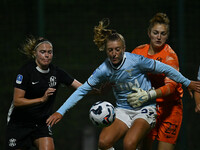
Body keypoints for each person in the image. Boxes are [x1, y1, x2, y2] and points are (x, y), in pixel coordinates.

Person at [46, 19, 200, 150]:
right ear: (106, 51)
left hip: (146, 109)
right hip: (123, 111)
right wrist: (61, 111)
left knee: (129, 143)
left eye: (117, 49)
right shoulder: (103, 70)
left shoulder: (136, 61)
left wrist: (187, 82)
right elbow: (82, 90)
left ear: (124, 49)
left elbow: (166, 69)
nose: (114, 53)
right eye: (110, 50)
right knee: (103, 142)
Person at [6, 36, 82, 150]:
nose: (46, 55)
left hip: (41, 123)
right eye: (42, 52)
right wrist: (41, 99)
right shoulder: (26, 71)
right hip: (19, 123)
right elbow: (17, 101)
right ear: (35, 53)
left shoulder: (56, 72)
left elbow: (82, 88)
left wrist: (99, 91)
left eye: (49, 52)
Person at [128, 13, 183, 150]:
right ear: (149, 33)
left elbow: (171, 87)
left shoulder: (170, 56)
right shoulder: (138, 52)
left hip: (170, 109)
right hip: (148, 107)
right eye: (155, 33)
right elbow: (127, 75)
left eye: (163, 34)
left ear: (167, 35)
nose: (159, 37)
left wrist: (149, 94)